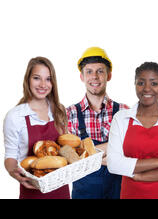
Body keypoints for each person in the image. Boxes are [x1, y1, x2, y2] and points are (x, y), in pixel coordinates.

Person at [107, 62, 158, 198]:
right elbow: (113, 164)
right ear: (134, 85)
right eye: (141, 83)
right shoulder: (121, 118)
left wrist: (140, 177)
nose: (147, 89)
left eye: (154, 83)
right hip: (131, 194)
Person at [66, 47, 129, 199]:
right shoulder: (69, 114)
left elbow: (130, 152)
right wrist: (113, 151)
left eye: (100, 71)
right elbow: (69, 159)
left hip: (118, 193)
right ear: (82, 76)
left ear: (109, 75)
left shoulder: (124, 111)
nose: (94, 76)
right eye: (89, 71)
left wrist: (87, 154)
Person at [3, 56, 70, 199]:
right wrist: (15, 173)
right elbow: (10, 157)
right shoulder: (15, 116)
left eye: (48, 79)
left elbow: (65, 148)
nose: (43, 84)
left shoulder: (59, 110)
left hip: (61, 191)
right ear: (28, 80)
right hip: (31, 190)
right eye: (37, 78)